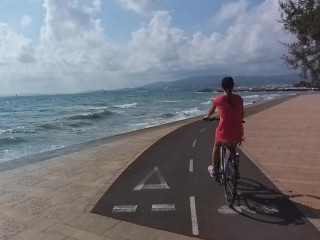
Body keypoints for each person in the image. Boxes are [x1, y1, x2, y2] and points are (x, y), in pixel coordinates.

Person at [203, 77, 244, 178]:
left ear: (222, 87)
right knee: (232, 147)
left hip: (223, 131)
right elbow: (242, 114)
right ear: (233, 86)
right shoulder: (239, 99)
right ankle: (235, 170)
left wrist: (207, 117)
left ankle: (214, 170)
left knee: (217, 146)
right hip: (238, 131)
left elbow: (211, 111)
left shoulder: (218, 99)